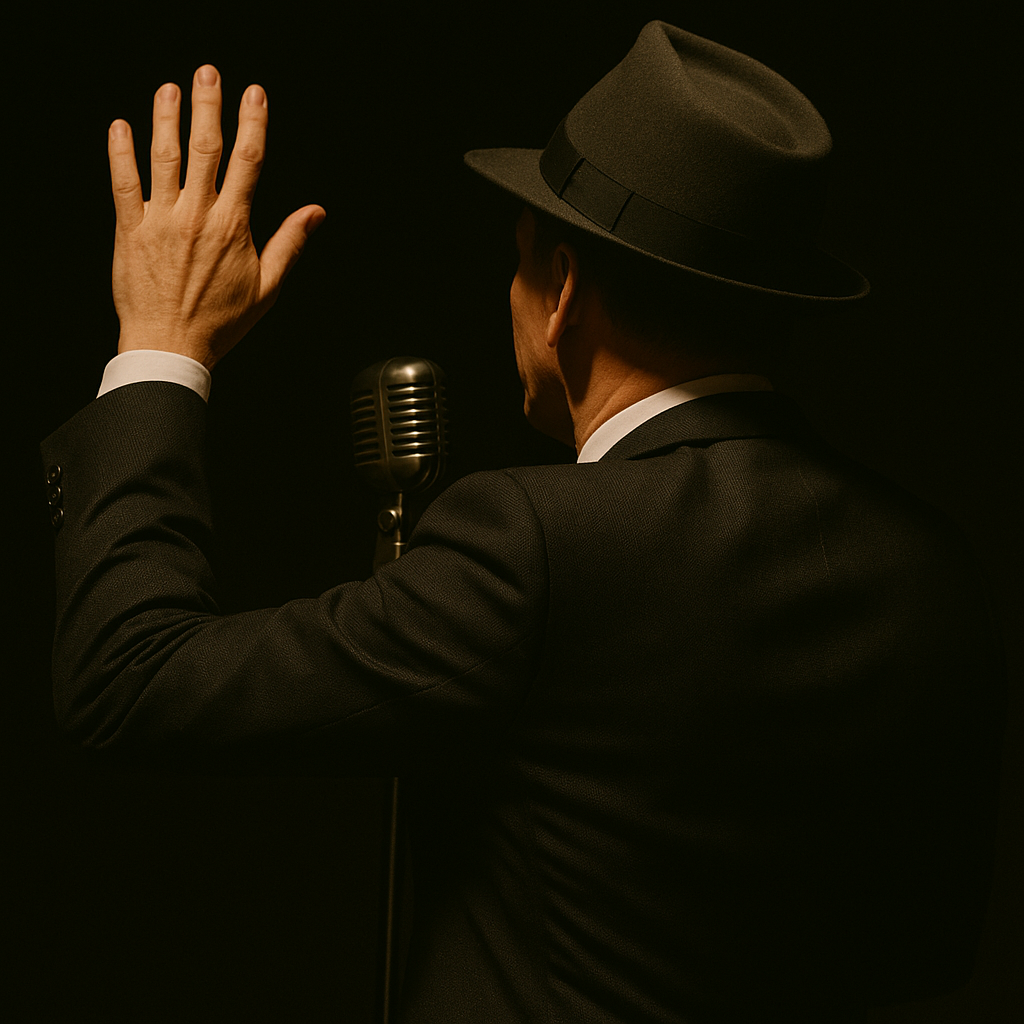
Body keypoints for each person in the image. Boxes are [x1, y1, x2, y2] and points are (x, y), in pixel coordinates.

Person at [41, 21, 1004, 1024]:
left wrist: (160, 345)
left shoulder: (536, 539)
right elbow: (930, 949)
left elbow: (129, 677)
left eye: (517, 263)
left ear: (563, 293)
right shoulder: (931, 568)